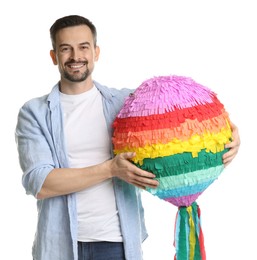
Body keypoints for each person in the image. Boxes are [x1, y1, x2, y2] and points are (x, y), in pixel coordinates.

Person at [15, 15, 240, 260]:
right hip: (59, 245)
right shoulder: (34, 113)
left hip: (117, 243)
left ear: (96, 52)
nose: (75, 56)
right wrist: (111, 169)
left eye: (83, 47)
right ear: (53, 56)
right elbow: (40, 183)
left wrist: (228, 135)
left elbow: (181, 120)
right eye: (65, 49)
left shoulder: (126, 105)